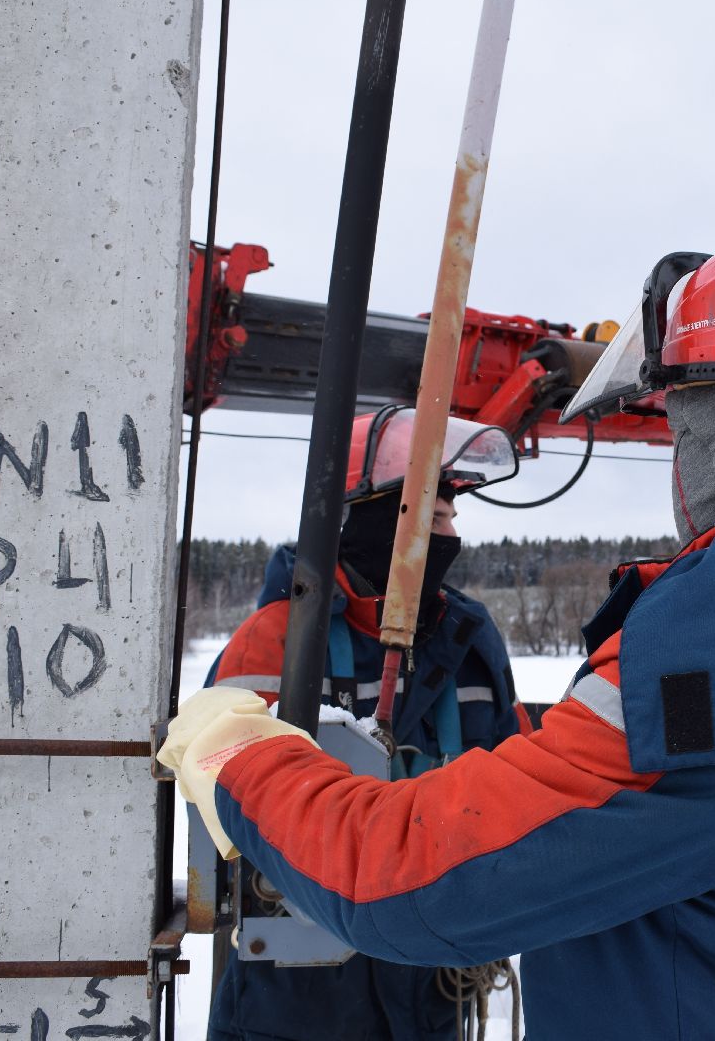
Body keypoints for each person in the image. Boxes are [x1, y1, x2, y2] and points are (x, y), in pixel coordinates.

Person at [164, 222, 715, 1039]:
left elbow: (400, 875)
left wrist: (236, 755)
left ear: (711, 427)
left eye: (677, 421)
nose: (444, 531)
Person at [203, 406, 530, 1041]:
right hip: (296, 996)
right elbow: (219, 799)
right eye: (437, 517)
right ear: (380, 517)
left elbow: (516, 772)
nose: (451, 534)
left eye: (453, 517)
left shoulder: (469, 638)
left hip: (432, 983)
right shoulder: (275, 641)